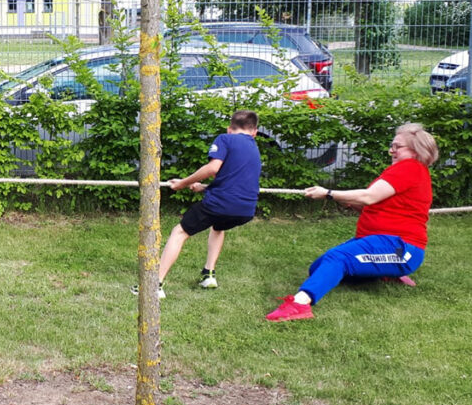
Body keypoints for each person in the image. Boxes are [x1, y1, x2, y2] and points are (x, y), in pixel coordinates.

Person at [266, 122, 439, 322]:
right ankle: (386, 272)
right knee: (318, 268)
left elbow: (369, 196)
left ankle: (300, 304)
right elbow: (376, 207)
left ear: (416, 151)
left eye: (397, 147)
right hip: (382, 241)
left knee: (338, 259)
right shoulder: (406, 170)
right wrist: (347, 201)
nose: (391, 151)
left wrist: (328, 193)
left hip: (401, 249)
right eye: (392, 146)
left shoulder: (410, 168)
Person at [135, 109, 261, 299]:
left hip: (221, 203)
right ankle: (208, 275)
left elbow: (212, 168)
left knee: (179, 232)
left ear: (229, 129)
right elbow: (232, 180)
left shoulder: (225, 139)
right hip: (246, 210)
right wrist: (203, 188)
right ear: (255, 132)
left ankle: (154, 285)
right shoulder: (253, 147)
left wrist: (182, 183)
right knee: (218, 226)